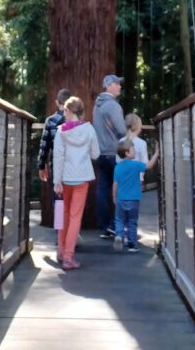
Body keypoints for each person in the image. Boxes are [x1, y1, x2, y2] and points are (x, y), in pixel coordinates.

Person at [53, 96, 100, 270]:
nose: (63, 113)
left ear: (70, 111)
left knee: (62, 215)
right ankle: (68, 257)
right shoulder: (89, 129)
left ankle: (60, 251)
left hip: (65, 178)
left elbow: (58, 157)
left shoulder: (61, 131)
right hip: (82, 178)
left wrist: (56, 181)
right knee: (74, 218)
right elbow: (95, 154)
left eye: (65, 110)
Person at [92, 74, 126, 237]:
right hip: (114, 153)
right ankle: (117, 225)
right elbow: (121, 130)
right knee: (121, 188)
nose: (120, 86)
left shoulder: (97, 106)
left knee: (103, 189)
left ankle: (105, 227)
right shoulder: (112, 106)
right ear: (109, 85)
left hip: (100, 153)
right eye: (118, 84)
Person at [112, 137, 159, 253]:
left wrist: (114, 197)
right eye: (133, 150)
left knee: (119, 219)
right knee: (132, 221)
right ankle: (132, 244)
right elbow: (149, 166)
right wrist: (156, 153)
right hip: (134, 199)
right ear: (127, 153)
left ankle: (119, 235)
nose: (135, 152)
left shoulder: (117, 167)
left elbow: (115, 184)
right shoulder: (136, 165)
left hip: (120, 199)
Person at [37, 88, 71, 184]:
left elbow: (44, 146)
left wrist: (41, 166)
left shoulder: (51, 121)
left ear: (57, 102)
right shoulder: (75, 121)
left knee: (58, 195)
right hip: (74, 166)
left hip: (56, 164)